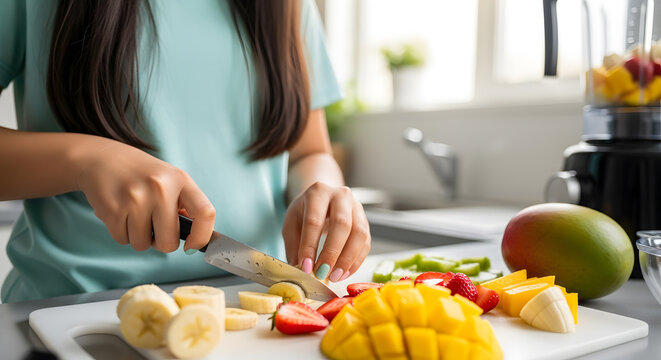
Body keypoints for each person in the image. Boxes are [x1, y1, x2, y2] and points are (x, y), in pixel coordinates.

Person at [0, 0, 370, 303]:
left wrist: (322, 190)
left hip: (250, 304)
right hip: (68, 308)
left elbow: (309, 152)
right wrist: (84, 159)